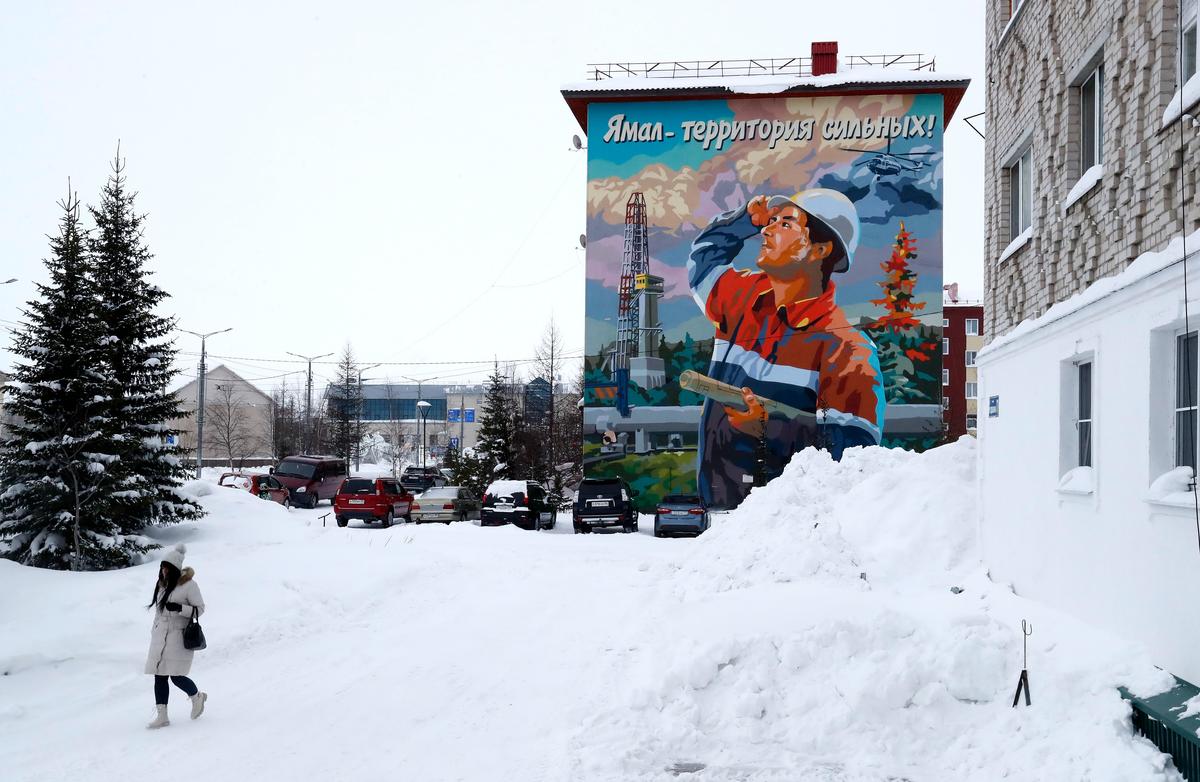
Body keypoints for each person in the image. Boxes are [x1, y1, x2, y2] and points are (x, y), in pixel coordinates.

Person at [687, 189, 886, 508]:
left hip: (787, 530)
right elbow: (704, 259)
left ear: (820, 248)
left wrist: (770, 425)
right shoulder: (742, 297)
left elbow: (856, 451)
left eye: (785, 223)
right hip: (716, 516)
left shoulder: (847, 350)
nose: (766, 229)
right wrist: (743, 221)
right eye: (772, 220)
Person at [144, 543, 207, 729]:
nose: (163, 570)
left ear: (174, 569)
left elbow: (200, 609)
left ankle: (198, 697)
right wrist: (154, 630)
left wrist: (181, 608)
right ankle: (162, 716)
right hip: (159, 636)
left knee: (176, 676)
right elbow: (158, 611)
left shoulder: (189, 585)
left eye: (166, 567)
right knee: (159, 676)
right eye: (162, 567)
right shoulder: (161, 584)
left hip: (178, 637)